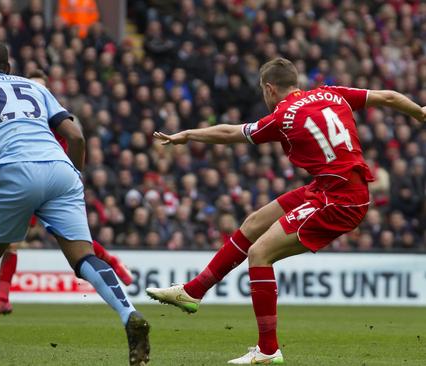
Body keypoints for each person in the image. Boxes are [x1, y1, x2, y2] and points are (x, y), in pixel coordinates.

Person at [147, 57, 426, 364]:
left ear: (269, 89)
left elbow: (231, 134)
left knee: (259, 254)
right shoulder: (330, 93)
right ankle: (193, 291)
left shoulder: (283, 116)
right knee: (254, 223)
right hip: (329, 186)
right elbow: (387, 96)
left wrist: (189, 135)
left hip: (339, 199)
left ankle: (268, 350)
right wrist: (420, 113)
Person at [0, 40, 150, 366]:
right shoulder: (33, 87)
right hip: (60, 169)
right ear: (9, 68)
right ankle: (129, 314)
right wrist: (74, 174)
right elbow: (77, 135)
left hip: (14, 169)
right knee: (83, 257)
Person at [0, 69, 133, 317]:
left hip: (53, 184)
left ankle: (111, 261)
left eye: (41, 87)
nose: (37, 91)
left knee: (70, 239)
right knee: (11, 243)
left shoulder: (57, 119)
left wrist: (73, 176)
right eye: (33, 86)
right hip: (25, 180)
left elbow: (74, 144)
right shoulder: (21, 120)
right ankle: (3, 299)